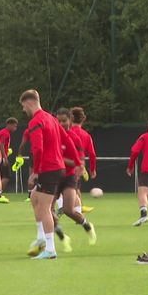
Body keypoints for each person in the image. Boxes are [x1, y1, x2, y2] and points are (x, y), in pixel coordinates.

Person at [20, 90, 81, 260]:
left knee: (44, 207)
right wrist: (77, 162)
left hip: (48, 168)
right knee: (34, 198)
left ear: (29, 103)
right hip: (56, 168)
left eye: (23, 106)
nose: (24, 110)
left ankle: (50, 249)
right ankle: (41, 240)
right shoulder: (51, 119)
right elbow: (67, 140)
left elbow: (37, 148)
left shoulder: (36, 121)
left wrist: (36, 172)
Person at [51, 108, 97, 252]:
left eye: (64, 121)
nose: (61, 124)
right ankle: (62, 237)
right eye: (58, 121)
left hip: (69, 177)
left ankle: (87, 226)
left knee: (68, 210)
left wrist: (65, 161)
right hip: (53, 176)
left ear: (70, 120)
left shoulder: (74, 138)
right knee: (47, 210)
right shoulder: (52, 137)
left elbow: (80, 161)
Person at [70, 107, 97, 213]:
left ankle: (78, 209)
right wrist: (92, 169)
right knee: (74, 187)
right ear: (83, 119)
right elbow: (92, 154)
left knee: (72, 188)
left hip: (64, 163)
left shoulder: (65, 132)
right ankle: (77, 209)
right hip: (79, 165)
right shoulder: (86, 135)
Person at [0, 118, 19, 192]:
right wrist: (4, 157)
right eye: (14, 126)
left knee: (1, 176)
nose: (15, 128)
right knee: (6, 176)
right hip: (2, 157)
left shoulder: (4, 132)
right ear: (9, 125)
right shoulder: (5, 133)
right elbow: (1, 144)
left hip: (1, 156)